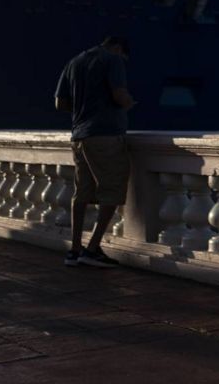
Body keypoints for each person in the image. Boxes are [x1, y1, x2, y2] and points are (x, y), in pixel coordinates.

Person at [55, 36, 135, 268]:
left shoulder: (74, 61)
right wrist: (129, 102)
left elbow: (60, 103)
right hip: (106, 135)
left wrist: (84, 108)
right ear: (119, 48)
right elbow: (119, 94)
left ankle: (74, 249)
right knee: (112, 190)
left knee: (81, 192)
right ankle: (92, 249)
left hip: (79, 136)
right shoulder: (113, 60)